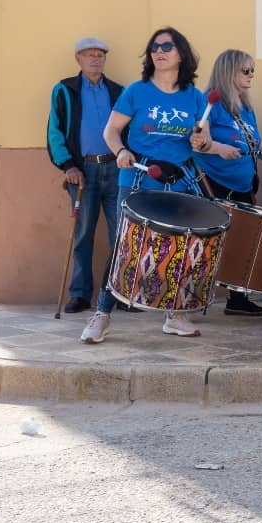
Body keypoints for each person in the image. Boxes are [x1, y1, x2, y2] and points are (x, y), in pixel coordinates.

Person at [80, 27, 214, 344]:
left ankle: (175, 314)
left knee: (181, 248)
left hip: (179, 180)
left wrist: (202, 142)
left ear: (181, 53)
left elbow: (205, 141)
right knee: (125, 247)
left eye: (166, 46)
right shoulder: (136, 92)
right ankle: (102, 314)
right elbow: (111, 132)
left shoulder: (196, 98)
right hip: (138, 177)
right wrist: (120, 152)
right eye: (154, 47)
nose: (158, 51)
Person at [196, 50, 262, 316]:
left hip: (243, 183)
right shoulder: (209, 102)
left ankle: (238, 298)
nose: (251, 75)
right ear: (228, 72)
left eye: (252, 70)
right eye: (245, 71)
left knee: (243, 241)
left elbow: (253, 141)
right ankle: (193, 296)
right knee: (209, 242)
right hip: (214, 182)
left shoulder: (245, 107)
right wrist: (218, 148)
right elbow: (199, 141)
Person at [47, 38, 125, 314]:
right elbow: (55, 131)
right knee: (82, 235)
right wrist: (68, 166)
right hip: (83, 172)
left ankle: (120, 294)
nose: (95, 59)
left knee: (122, 235)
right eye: (89, 55)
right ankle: (80, 295)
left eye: (100, 55)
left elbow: (129, 128)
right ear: (78, 59)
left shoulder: (118, 91)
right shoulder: (65, 89)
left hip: (117, 170)